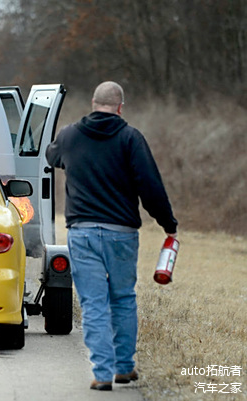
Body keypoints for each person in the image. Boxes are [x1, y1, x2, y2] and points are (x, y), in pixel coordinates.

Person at [46, 81, 178, 391]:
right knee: (122, 299)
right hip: (121, 234)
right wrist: (167, 223)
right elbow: (150, 186)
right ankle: (124, 368)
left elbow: (53, 158)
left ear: (93, 103)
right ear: (120, 107)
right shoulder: (131, 138)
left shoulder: (69, 135)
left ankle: (101, 373)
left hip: (82, 233)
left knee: (93, 303)